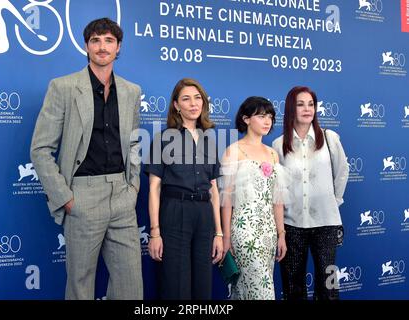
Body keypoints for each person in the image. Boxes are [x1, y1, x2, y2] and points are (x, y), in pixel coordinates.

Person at [30, 18, 143, 300]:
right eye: (95, 40)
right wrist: (65, 197)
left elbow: (134, 144)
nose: (102, 47)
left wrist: (133, 188)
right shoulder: (63, 87)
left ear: (119, 48)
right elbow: (41, 149)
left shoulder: (131, 91)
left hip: (122, 195)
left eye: (108, 40)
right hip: (81, 196)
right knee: (80, 285)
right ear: (86, 46)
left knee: (131, 287)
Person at [144, 78, 223, 300]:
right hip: (175, 212)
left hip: (204, 215)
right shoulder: (163, 139)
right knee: (175, 286)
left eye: (198, 98)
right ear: (177, 106)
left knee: (203, 286)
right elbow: (153, 188)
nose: (193, 103)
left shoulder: (209, 140)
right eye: (186, 99)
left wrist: (218, 232)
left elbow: (214, 190)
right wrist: (155, 232)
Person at [272, 86, 349, 300]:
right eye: (300, 104)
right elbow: (278, 186)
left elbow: (342, 171)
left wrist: (334, 201)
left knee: (329, 286)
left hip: (326, 224)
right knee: (292, 286)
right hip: (292, 225)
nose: (307, 109)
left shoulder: (329, 138)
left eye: (311, 104)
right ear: (290, 109)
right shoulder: (279, 145)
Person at [219, 96, 288, 300]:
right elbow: (226, 199)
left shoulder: (273, 154)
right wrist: (226, 237)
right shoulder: (233, 151)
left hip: (268, 232)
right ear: (246, 119)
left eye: (270, 117)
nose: (267, 121)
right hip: (244, 232)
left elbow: (277, 199)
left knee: (247, 290)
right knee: (261, 291)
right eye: (261, 116)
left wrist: (281, 234)